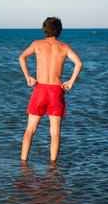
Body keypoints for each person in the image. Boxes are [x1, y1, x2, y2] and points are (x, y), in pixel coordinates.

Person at [19, 17, 83, 162]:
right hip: (56, 91)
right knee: (55, 132)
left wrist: (28, 77)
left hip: (40, 89)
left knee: (30, 129)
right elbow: (79, 63)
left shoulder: (37, 44)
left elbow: (22, 58)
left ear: (44, 30)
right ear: (59, 30)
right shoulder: (64, 47)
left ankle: (23, 163)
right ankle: (53, 166)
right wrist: (71, 82)